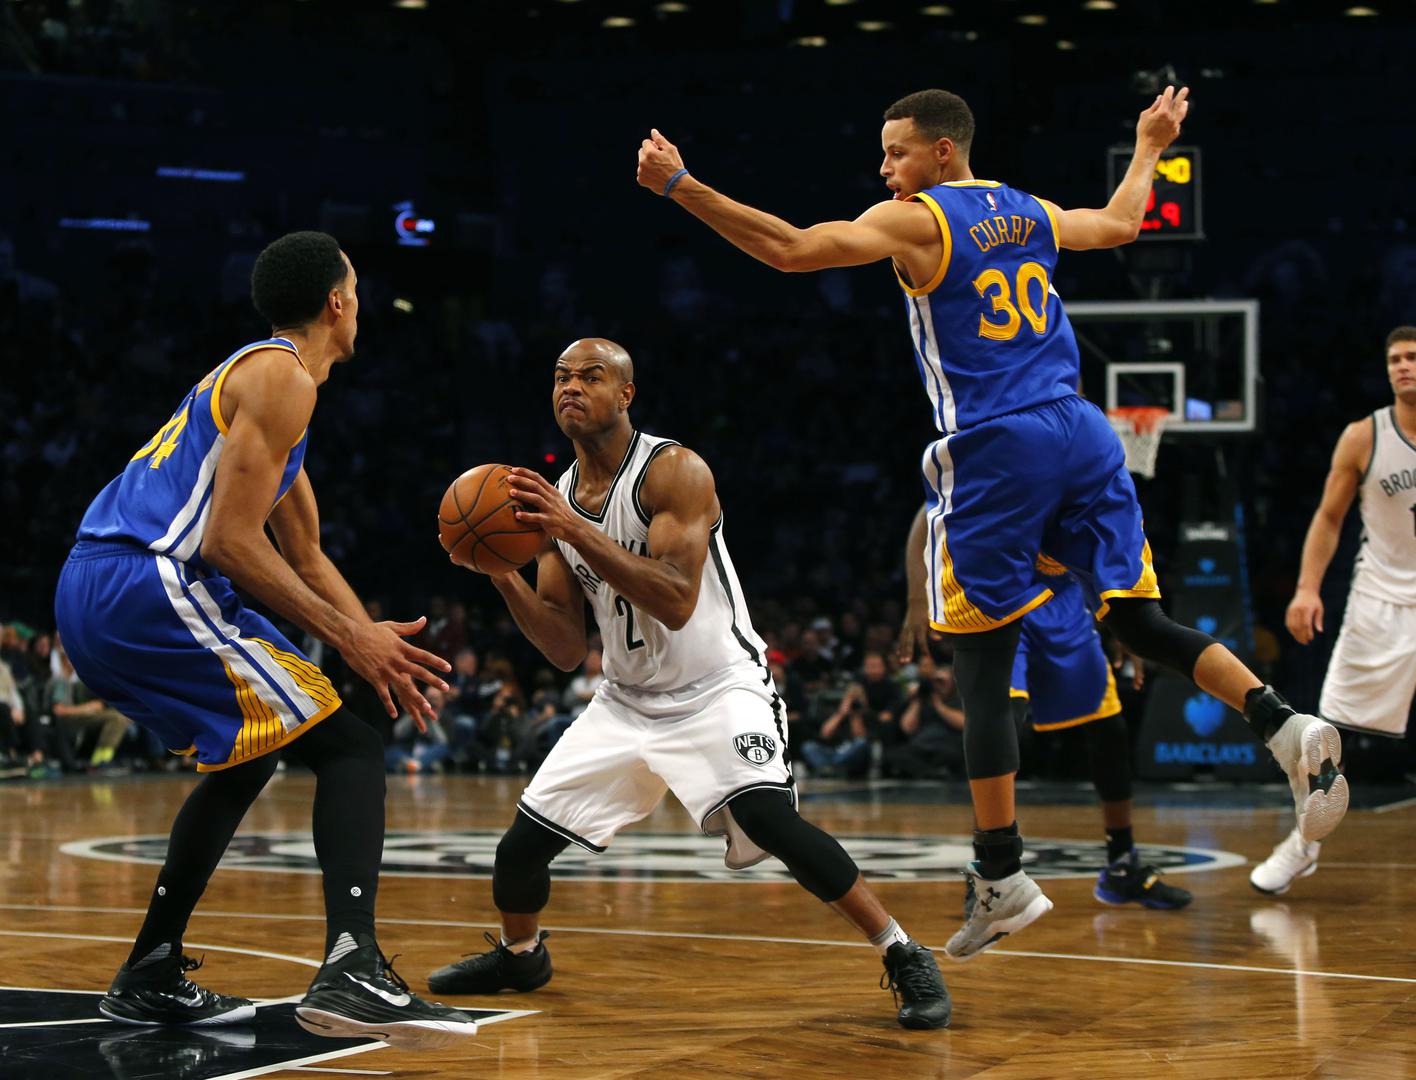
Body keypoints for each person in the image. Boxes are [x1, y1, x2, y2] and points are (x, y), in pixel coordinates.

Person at [637, 86, 1346, 959]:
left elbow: (789, 249)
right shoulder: (1029, 209)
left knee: (979, 665)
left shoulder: (918, 220)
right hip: (1084, 431)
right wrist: (1149, 145)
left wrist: (682, 186)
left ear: (942, 152)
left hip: (998, 444)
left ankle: (1002, 873)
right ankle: (1281, 723)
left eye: (896, 152)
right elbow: (1122, 224)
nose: (884, 169)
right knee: (1138, 620)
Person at [428, 338, 950, 1030]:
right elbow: (563, 647)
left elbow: (675, 599)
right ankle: (522, 957)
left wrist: (573, 532)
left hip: (717, 687)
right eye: (560, 377)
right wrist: (500, 573)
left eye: (591, 376)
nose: (571, 387)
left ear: (626, 394)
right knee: (518, 851)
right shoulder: (556, 504)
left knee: (770, 819)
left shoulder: (674, 472)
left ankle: (903, 951)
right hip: (625, 700)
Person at [53, 230, 476, 1048]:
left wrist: (366, 637)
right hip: (148, 579)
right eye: (359, 290)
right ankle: (352, 970)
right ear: (338, 302)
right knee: (349, 747)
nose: (362, 304)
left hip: (99, 586)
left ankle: (150, 969)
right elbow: (229, 543)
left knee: (251, 753)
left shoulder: (266, 386)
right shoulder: (282, 377)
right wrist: (351, 641)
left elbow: (305, 554)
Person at [901, 506, 1192, 909]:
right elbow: (929, 513)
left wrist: (1128, 620)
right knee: (1001, 725)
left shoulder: (1089, 471)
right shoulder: (989, 464)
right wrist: (918, 597)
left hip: (1066, 600)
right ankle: (991, 872)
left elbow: (1108, 537)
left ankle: (1123, 865)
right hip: (1002, 600)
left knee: (1109, 729)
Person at [1256, 327, 1416, 894]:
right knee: (1326, 740)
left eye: (1412, 357)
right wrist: (1307, 589)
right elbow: (1328, 518)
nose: (1403, 366)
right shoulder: (1364, 436)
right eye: (1394, 359)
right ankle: (1303, 845)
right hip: (1381, 599)